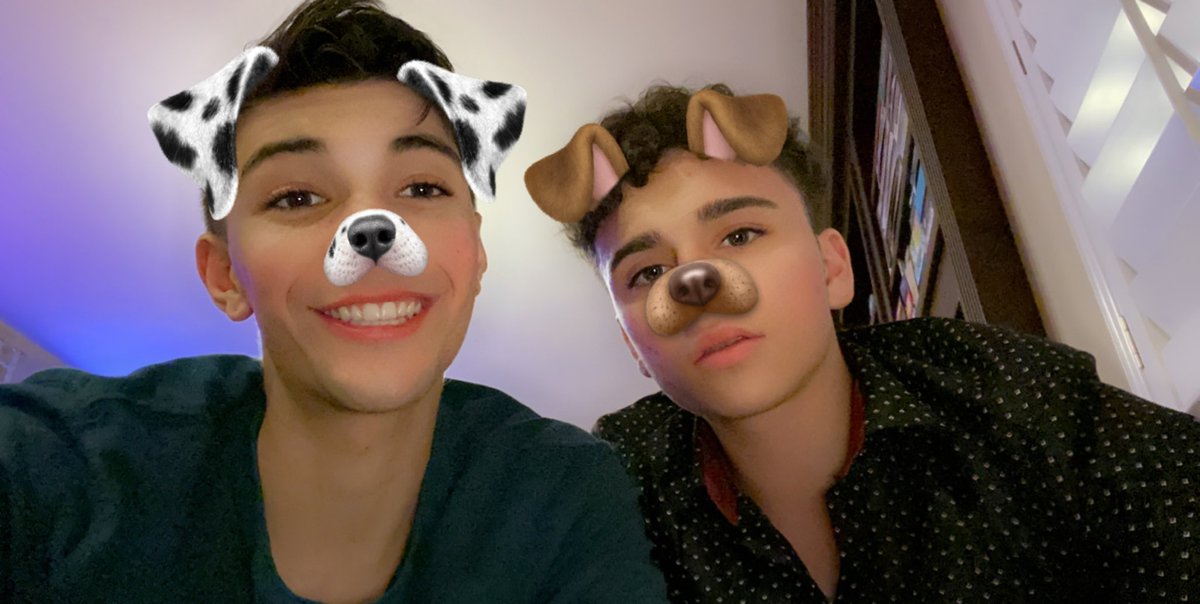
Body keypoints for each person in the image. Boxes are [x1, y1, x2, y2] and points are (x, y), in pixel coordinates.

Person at [0, 2, 668, 602]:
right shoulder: (66, 463)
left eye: (423, 189)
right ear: (225, 274)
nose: (372, 228)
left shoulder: (564, 494)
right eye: (296, 197)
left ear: (475, 251)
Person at [524, 83, 1200, 603]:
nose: (693, 283)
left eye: (740, 235)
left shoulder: (1007, 397)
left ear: (833, 268)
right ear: (633, 345)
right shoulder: (609, 493)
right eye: (646, 273)